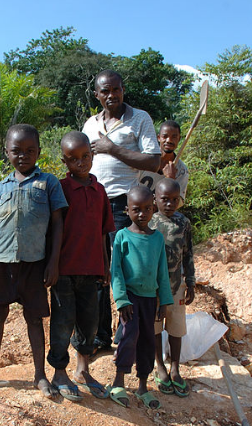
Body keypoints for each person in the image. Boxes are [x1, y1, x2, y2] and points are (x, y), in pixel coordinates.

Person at [0, 124, 69, 399]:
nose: (23, 155)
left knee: (34, 319)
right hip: (2, 260)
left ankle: (40, 376)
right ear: (7, 152)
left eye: (30, 150)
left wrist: (53, 262)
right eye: (16, 151)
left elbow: (58, 224)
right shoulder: (1, 187)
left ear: (38, 152)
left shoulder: (48, 183)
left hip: (35, 262)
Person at [82, 70, 161, 353]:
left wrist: (112, 148)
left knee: (125, 269)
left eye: (116, 89)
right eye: (105, 91)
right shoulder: (90, 124)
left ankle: (127, 331)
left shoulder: (140, 118)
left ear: (123, 90)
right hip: (92, 203)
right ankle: (102, 335)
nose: (111, 95)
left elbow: (154, 161)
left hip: (122, 204)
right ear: (97, 95)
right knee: (98, 270)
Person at [50, 132, 116, 400]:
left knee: (89, 323)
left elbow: (103, 232)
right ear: (65, 161)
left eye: (85, 156)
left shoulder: (100, 191)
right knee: (63, 322)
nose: (81, 163)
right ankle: (58, 372)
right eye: (73, 159)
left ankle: (82, 370)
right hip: (64, 270)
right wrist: (52, 265)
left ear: (92, 154)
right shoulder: (60, 189)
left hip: (92, 269)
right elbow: (53, 229)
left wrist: (106, 265)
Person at [108, 185, 173, 410]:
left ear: (154, 208)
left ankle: (143, 386)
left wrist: (164, 300)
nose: (143, 214)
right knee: (129, 335)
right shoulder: (122, 237)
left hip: (150, 299)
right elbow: (115, 270)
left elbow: (162, 272)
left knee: (147, 340)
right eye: (137, 209)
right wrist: (122, 300)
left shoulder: (156, 239)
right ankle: (118, 382)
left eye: (147, 209)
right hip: (131, 298)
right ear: (127, 210)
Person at [150, 178, 195, 397]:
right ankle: (159, 366)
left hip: (176, 285)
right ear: (155, 199)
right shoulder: (149, 222)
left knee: (176, 327)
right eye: (164, 199)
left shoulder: (183, 223)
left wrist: (191, 283)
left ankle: (175, 368)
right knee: (156, 328)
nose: (169, 204)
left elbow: (188, 255)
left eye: (174, 200)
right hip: (154, 287)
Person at [138, 120, 190, 199]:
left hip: (161, 211)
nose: (169, 140)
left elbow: (178, 201)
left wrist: (170, 180)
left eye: (174, 137)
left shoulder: (182, 170)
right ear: (159, 138)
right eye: (165, 136)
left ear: (179, 139)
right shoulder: (144, 159)